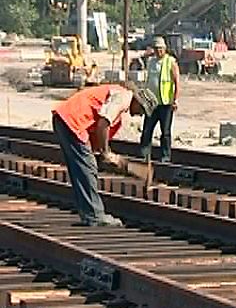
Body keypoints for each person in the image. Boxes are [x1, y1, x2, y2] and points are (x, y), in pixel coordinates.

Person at [52, 83, 158, 227]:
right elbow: (103, 123)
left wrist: (107, 156)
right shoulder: (122, 98)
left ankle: (88, 214)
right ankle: (94, 216)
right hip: (72, 121)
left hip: (65, 119)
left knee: (82, 170)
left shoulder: (119, 103)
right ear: (138, 102)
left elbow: (97, 132)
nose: (140, 114)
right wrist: (106, 152)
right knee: (87, 169)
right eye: (142, 110)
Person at [140, 36, 180, 162]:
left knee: (165, 132)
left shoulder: (170, 62)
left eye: (161, 49)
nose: (159, 51)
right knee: (147, 130)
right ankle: (144, 155)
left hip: (166, 104)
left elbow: (176, 82)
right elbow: (147, 81)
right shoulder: (151, 62)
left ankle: (165, 157)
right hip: (151, 103)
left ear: (165, 49)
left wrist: (175, 100)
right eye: (156, 49)